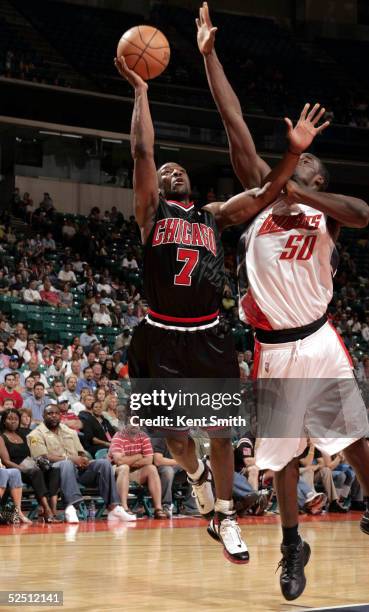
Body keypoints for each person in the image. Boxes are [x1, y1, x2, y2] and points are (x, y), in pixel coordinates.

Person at [114, 52, 319, 563]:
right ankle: (196, 476)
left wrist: (292, 155)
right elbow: (142, 151)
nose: (172, 170)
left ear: (191, 183)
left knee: (222, 433)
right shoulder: (149, 214)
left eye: (179, 168)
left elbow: (267, 191)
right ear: (158, 186)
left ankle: (225, 516)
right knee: (180, 441)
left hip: (208, 334)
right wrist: (141, 93)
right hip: (159, 336)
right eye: (166, 171)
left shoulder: (212, 216)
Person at [197, 1, 369, 598]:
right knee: (281, 458)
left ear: (318, 181)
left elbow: (363, 213)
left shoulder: (328, 214)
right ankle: (292, 543)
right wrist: (210, 55)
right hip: (273, 348)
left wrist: (305, 191)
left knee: (353, 437)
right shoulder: (264, 201)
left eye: (312, 167)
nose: (303, 166)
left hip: (319, 339)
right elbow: (234, 122)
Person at [27, 405, 130, 524]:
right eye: (50, 413)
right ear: (43, 416)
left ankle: (113, 507)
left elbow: (81, 452)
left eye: (56, 413)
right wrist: (70, 459)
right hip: (52, 473)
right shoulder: (35, 434)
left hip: (77, 470)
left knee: (103, 463)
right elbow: (42, 457)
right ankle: (71, 507)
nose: (53, 415)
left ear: (60, 415)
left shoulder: (69, 431)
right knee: (66, 464)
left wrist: (84, 459)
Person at [0, 409, 61, 522]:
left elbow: (32, 454)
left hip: (30, 466)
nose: (13, 421)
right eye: (10, 419)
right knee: (35, 472)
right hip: (16, 470)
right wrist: (24, 469)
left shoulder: (23, 435)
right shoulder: (2, 438)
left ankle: (53, 510)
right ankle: (47, 511)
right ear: (4, 421)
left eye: (16, 419)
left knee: (54, 470)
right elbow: (6, 461)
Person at [109, 421, 166, 520]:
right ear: (126, 424)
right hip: (115, 473)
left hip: (134, 471)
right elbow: (119, 461)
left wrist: (128, 460)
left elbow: (149, 460)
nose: (135, 425)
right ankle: (124, 507)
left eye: (137, 423)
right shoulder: (118, 436)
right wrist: (139, 456)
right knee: (124, 468)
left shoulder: (143, 436)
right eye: (132, 422)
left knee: (151, 468)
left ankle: (158, 508)